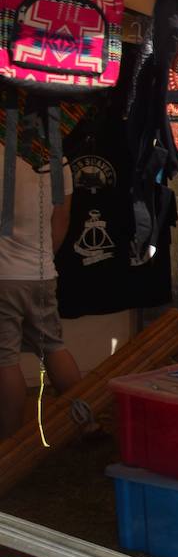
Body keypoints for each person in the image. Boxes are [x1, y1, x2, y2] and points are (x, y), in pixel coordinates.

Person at [1, 157, 81, 440]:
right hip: (43, 272)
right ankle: (86, 423)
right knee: (54, 347)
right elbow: (62, 218)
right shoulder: (58, 160)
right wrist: (45, 258)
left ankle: (8, 440)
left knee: (5, 360)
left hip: (4, 275)